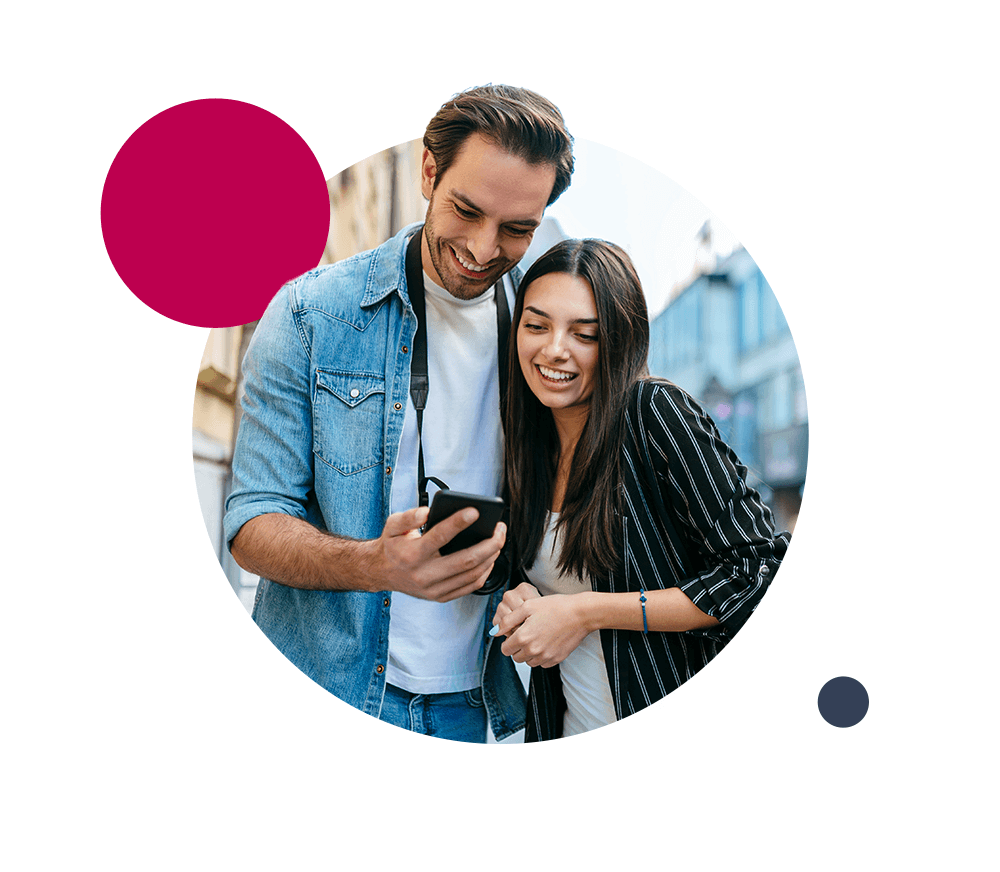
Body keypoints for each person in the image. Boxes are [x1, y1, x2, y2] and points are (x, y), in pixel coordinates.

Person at [223, 85, 575, 743]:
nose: (481, 247)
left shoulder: (546, 336)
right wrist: (377, 564)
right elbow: (249, 522)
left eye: (516, 229)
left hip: (478, 709)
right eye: (466, 211)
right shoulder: (310, 314)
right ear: (428, 172)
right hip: (327, 693)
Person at [491, 238, 790, 741]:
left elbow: (760, 571)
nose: (554, 349)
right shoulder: (526, 440)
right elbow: (540, 581)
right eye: (536, 325)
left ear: (618, 340)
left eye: (583, 334)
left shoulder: (654, 413)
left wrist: (585, 612)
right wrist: (520, 597)